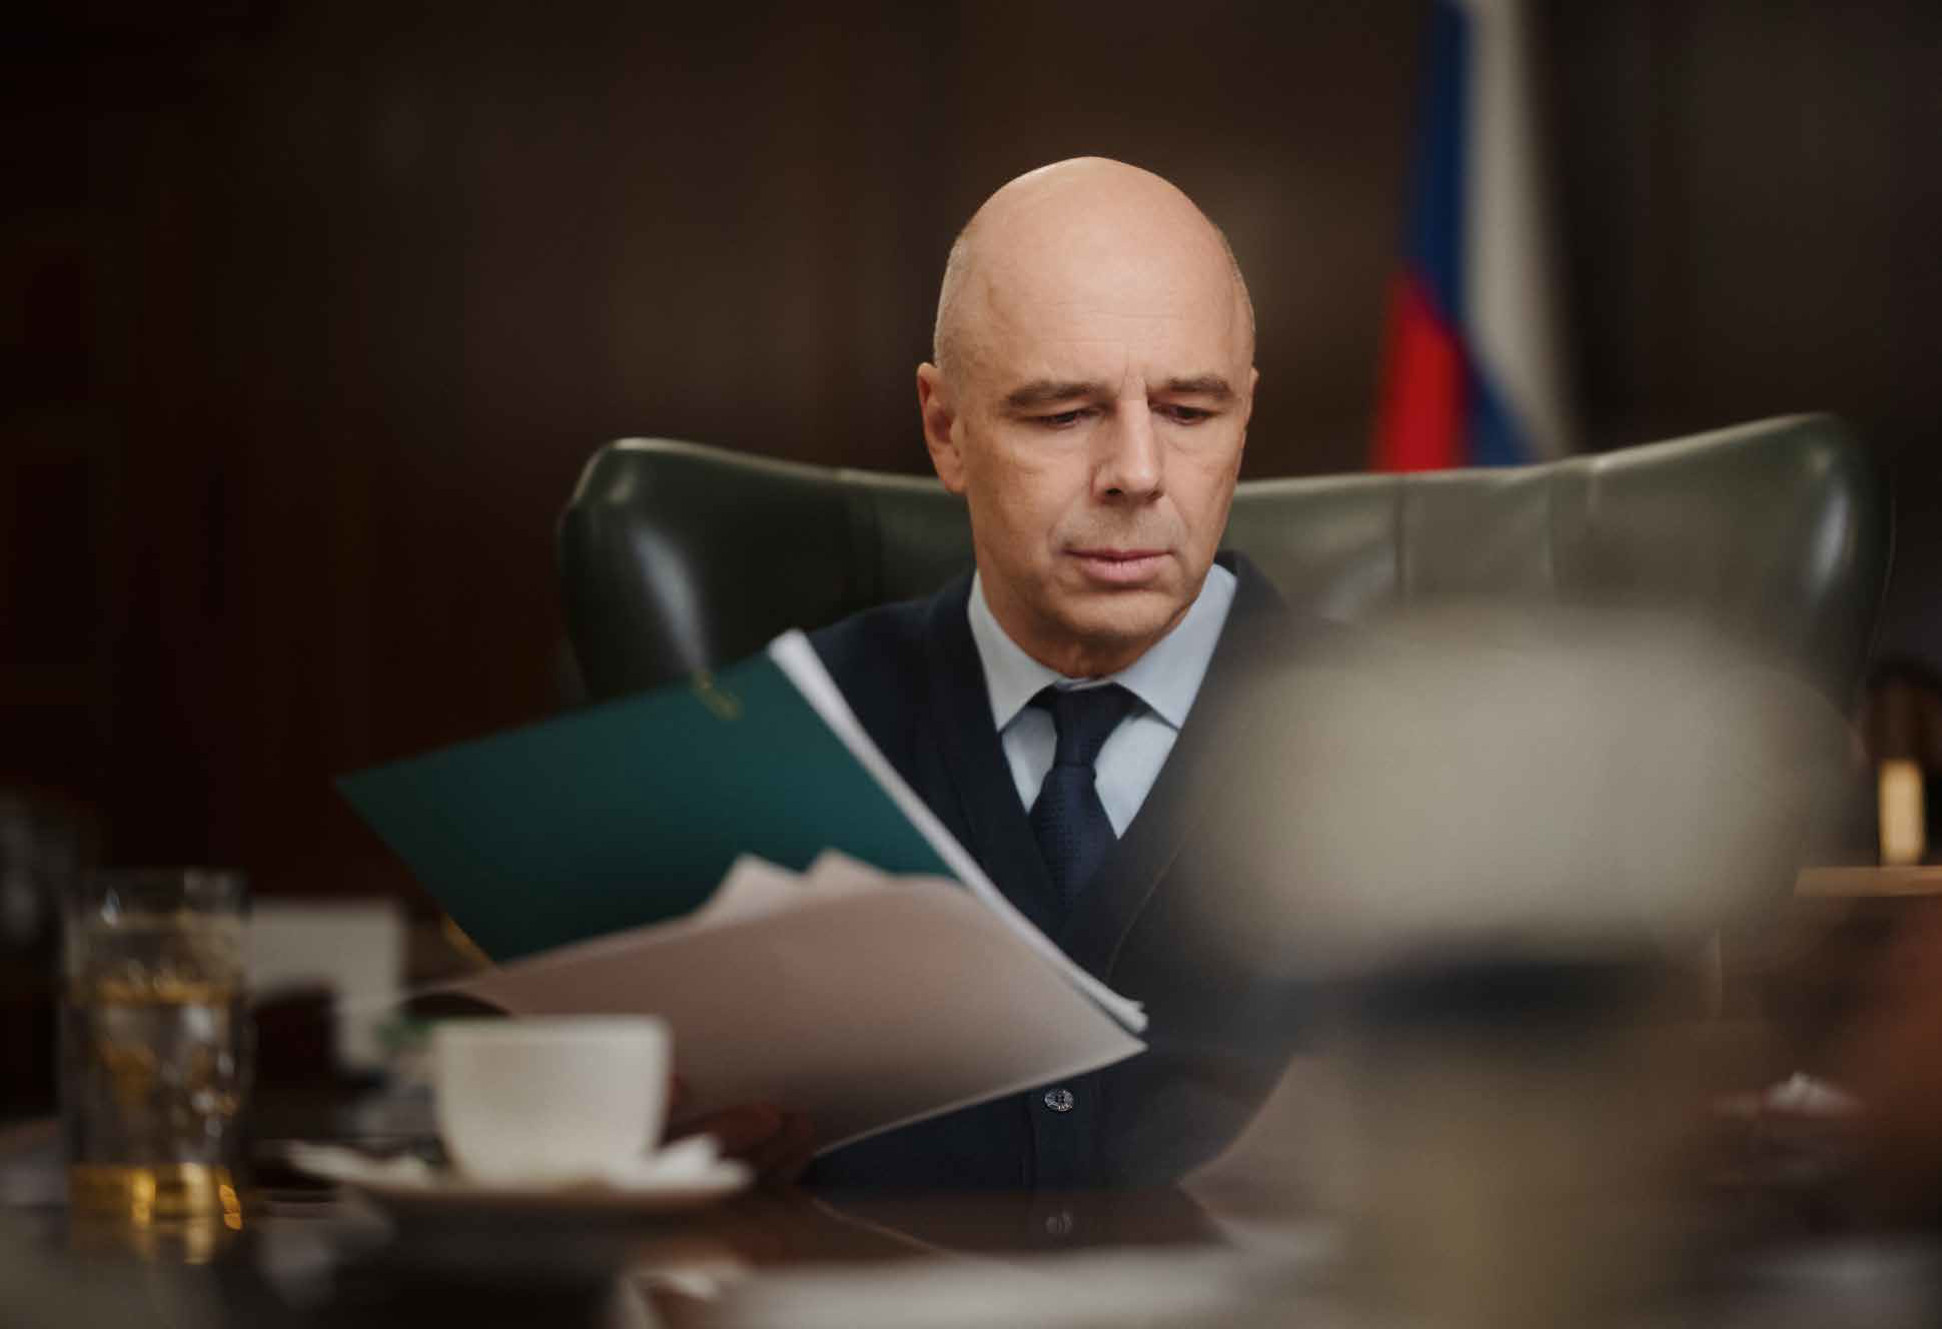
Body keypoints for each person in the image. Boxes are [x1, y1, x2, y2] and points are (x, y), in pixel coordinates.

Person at [792, 157, 1320, 1190]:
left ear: (1245, 416)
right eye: (1063, 413)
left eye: (1189, 411)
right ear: (946, 428)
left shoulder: (1431, 760)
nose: (1137, 472)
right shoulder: (793, 736)